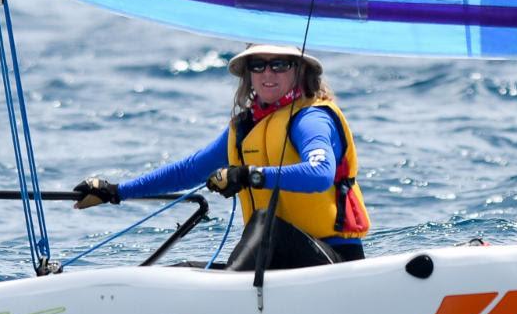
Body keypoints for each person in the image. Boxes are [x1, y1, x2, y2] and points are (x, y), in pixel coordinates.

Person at [73, 44, 370, 268]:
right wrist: (116, 191)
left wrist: (247, 175)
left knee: (265, 222)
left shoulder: (311, 119)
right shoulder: (244, 129)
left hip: (334, 264)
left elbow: (320, 175)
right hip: (278, 268)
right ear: (248, 76)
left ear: (299, 72)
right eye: (258, 66)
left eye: (279, 65)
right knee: (182, 274)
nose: (267, 74)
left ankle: (228, 295)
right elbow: (188, 171)